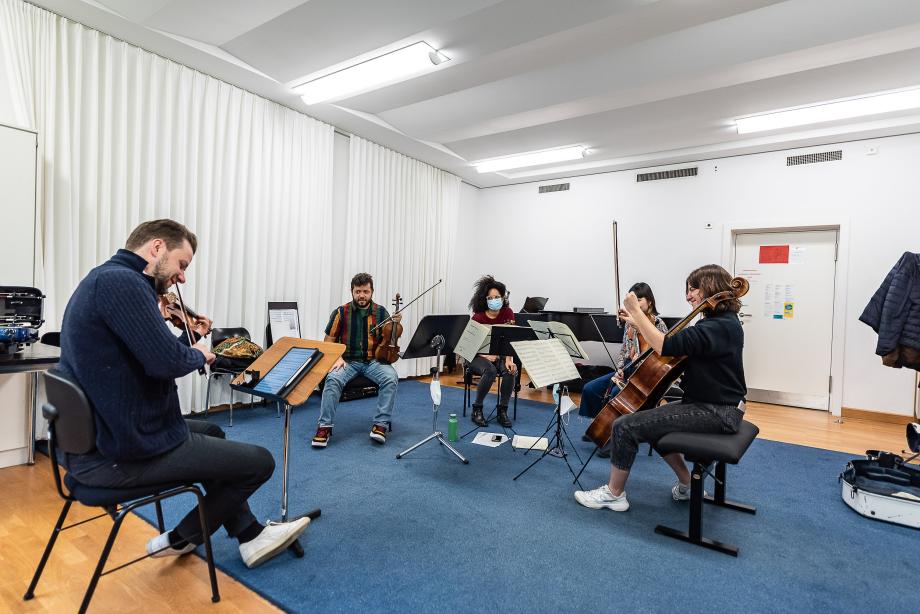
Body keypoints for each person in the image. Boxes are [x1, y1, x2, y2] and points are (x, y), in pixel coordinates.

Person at [58, 219, 309, 569]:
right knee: (259, 463)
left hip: (115, 432)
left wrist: (189, 341)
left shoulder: (108, 279)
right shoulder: (122, 283)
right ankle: (182, 536)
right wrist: (201, 352)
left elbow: (150, 360)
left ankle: (249, 534)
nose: (182, 278)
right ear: (157, 247)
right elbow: (166, 363)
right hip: (123, 451)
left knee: (214, 433)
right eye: (182, 264)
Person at [573, 264, 746, 512]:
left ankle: (614, 494)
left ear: (712, 286)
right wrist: (636, 319)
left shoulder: (717, 326)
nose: (688, 296)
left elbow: (665, 346)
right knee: (650, 422)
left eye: (693, 289)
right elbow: (678, 346)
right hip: (714, 405)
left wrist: (635, 310)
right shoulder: (721, 323)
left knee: (625, 425)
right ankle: (688, 483)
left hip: (716, 411)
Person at [312, 273, 401, 448]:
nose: (362, 295)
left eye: (365, 291)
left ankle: (380, 425)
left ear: (372, 291)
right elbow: (328, 341)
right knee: (332, 380)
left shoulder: (382, 312)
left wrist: (395, 323)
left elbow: (391, 338)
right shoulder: (340, 312)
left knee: (391, 378)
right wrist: (337, 357)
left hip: (374, 361)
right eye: (358, 291)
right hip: (347, 361)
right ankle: (325, 427)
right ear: (352, 291)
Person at [578, 282, 669, 420]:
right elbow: (624, 350)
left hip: (643, 374)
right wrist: (620, 369)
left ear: (649, 302)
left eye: (639, 300)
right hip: (627, 368)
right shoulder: (629, 322)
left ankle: (613, 430)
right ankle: (596, 426)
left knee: (616, 394)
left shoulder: (658, 324)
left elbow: (661, 355)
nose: (635, 304)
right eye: (633, 300)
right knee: (590, 389)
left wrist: (639, 328)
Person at [467, 275, 518, 428]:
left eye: (497, 297)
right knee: (489, 371)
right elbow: (469, 345)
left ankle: (502, 410)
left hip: (501, 354)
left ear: (503, 298)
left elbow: (511, 338)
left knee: (510, 371)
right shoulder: (477, 317)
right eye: (491, 297)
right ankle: (477, 409)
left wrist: (509, 359)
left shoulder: (508, 313)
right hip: (476, 355)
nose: (494, 300)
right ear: (485, 299)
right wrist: (485, 355)